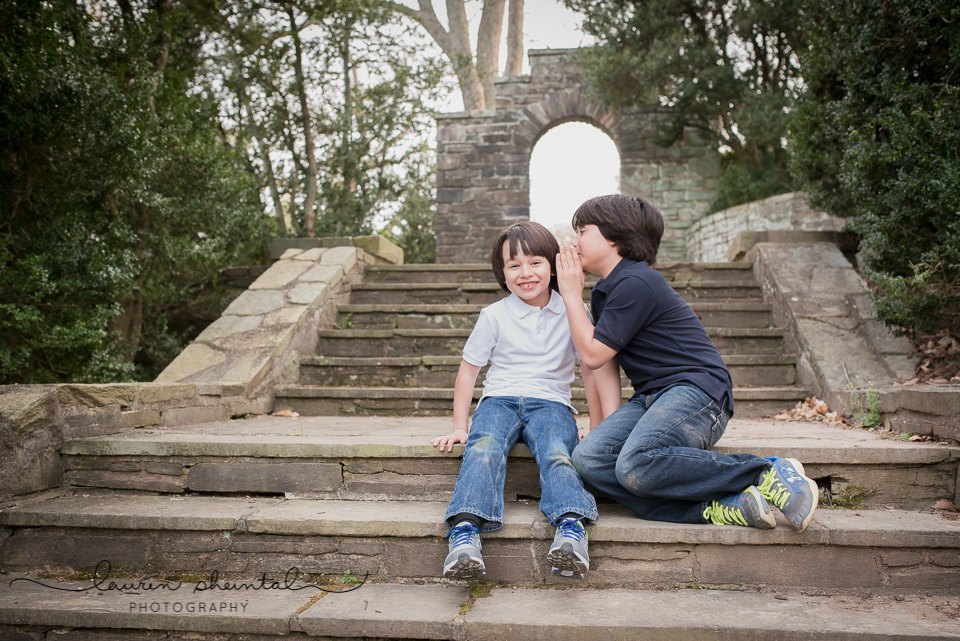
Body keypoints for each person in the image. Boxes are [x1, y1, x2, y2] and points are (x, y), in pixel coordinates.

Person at [556, 194, 819, 532]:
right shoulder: (607, 291)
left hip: (697, 391)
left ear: (614, 237)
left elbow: (591, 353)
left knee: (636, 461)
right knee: (589, 460)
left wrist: (569, 295)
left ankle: (766, 472)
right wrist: (599, 428)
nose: (574, 241)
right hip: (652, 398)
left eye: (583, 230)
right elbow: (596, 363)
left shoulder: (637, 281)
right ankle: (714, 507)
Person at [431, 220, 621, 579]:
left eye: (534, 262)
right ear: (502, 274)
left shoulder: (573, 311)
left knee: (557, 452)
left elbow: (593, 370)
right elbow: (468, 373)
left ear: (553, 265)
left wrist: (597, 427)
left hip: (552, 403)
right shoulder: (494, 315)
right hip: (498, 400)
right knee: (483, 448)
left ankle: (570, 528)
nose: (525, 273)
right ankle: (465, 534)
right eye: (514, 265)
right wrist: (460, 426)